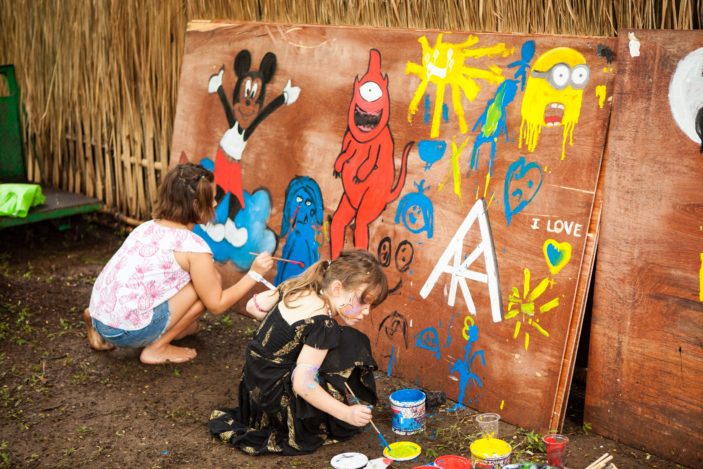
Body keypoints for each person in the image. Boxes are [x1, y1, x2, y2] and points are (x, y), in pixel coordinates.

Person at [83, 163, 273, 365]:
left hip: (100, 313)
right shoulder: (194, 248)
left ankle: (96, 323)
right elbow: (216, 305)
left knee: (202, 280)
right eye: (211, 198)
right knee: (207, 289)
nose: (215, 203)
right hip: (127, 331)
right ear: (196, 205)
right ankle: (157, 348)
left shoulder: (147, 227)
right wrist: (254, 273)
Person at [209, 249, 389, 455]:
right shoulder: (322, 324)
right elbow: (303, 384)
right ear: (337, 288)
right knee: (351, 342)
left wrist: (286, 333)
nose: (366, 311)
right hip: (276, 403)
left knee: (334, 342)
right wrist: (346, 413)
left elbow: (253, 307)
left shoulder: (296, 287)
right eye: (363, 301)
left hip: (253, 386)